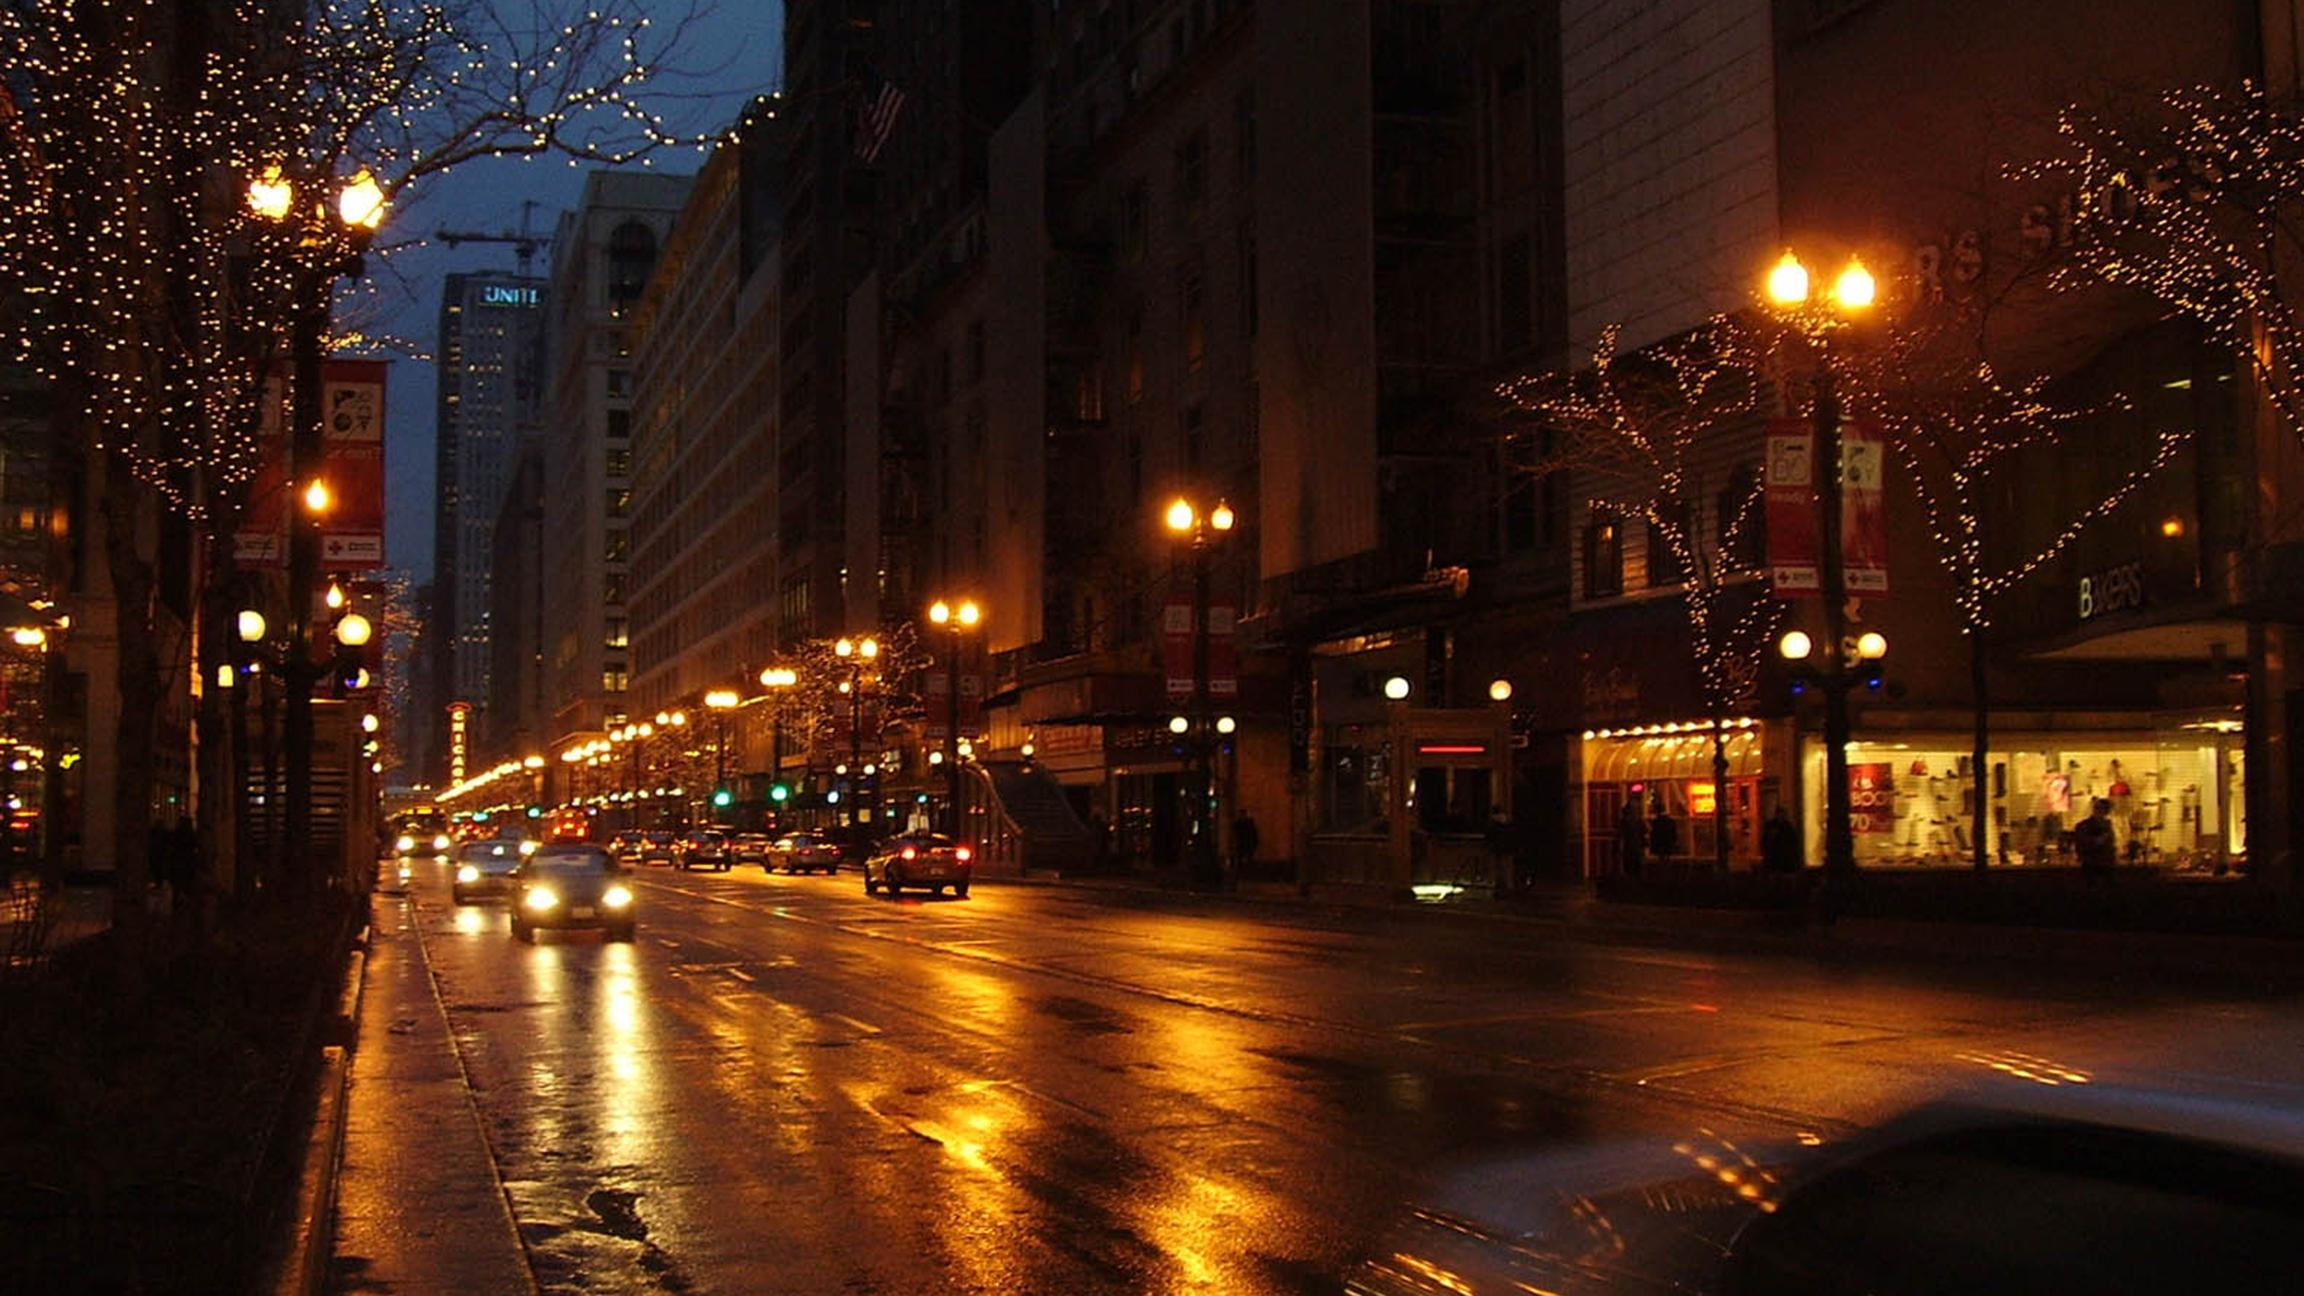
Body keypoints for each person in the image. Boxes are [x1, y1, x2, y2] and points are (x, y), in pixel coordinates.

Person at [2074, 796, 2117, 880]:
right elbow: (2083, 845)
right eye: (2099, 809)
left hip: (2106, 866)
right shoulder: (2084, 826)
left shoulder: (2107, 825)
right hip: (2091, 866)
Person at [1762, 804, 1801, 874]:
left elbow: (1793, 842)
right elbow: (1765, 841)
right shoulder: (1772, 826)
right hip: (1774, 858)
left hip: (1784, 859)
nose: (1781, 816)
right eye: (1780, 814)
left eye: (1783, 815)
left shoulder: (1788, 827)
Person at [1615, 796, 1647, 878]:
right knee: (1635, 869)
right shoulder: (1638, 821)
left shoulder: (1625, 822)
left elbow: (1621, 835)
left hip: (1630, 848)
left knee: (1631, 869)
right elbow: (1644, 832)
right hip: (1635, 847)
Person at [1649, 796, 1681, 864]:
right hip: (1668, 844)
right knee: (1667, 860)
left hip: (1660, 845)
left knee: (1661, 861)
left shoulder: (1656, 822)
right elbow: (1674, 833)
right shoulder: (1670, 821)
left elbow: (1654, 834)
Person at [1230, 810, 1259, 880]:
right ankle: (1243, 873)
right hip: (1242, 844)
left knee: (1246, 860)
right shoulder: (1240, 824)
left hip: (1246, 844)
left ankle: (1246, 873)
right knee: (1241, 860)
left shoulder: (1246, 825)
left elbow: (1253, 835)